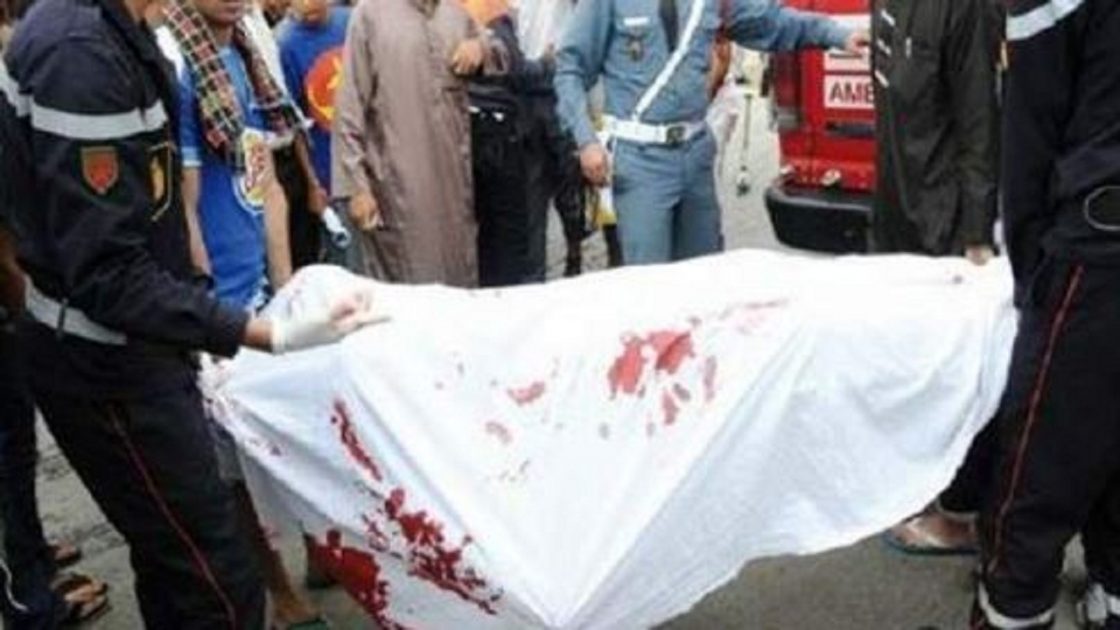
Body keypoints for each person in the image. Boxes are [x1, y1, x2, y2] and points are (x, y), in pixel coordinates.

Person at [0, 0, 381, 625]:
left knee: (175, 561)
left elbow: (159, 213)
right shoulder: (80, 54)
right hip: (109, 362)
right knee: (214, 581)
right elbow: (108, 273)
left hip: (138, 342)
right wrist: (268, 334)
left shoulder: (120, 33)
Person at [971, 0, 1120, 628]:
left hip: (1096, 254)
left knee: (1036, 467)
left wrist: (1034, 278)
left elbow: (1030, 132)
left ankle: (1015, 610)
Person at [554, 0, 867, 266]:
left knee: (704, 274)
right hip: (640, 161)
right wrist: (586, 141)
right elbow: (570, 69)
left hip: (695, 156)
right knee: (649, 282)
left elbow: (770, 21)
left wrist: (838, 35)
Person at [333, 0, 507, 287]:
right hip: (397, 192)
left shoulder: (454, 13)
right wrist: (356, 188)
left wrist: (480, 48)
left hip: (453, 190)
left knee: (457, 283)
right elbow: (349, 109)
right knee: (408, 289)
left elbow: (501, 54)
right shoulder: (370, 15)